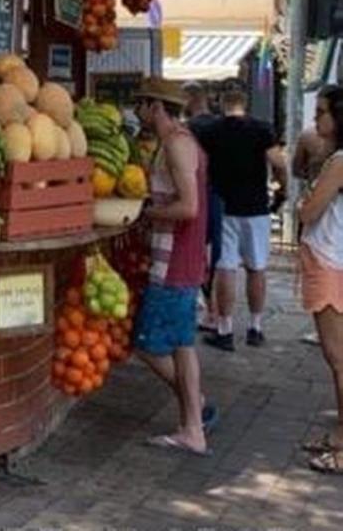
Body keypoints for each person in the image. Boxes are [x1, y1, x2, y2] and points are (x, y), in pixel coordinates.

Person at [132, 78, 212, 455]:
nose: (138, 111)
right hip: (183, 259)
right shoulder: (178, 141)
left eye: (142, 104)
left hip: (174, 261)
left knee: (147, 344)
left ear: (156, 107)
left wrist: (149, 214)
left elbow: (189, 207)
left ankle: (196, 412)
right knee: (182, 345)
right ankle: (193, 426)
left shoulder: (177, 145)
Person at [198, 85, 285, 350]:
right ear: (244, 102)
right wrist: (282, 193)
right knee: (256, 268)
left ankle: (224, 330)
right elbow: (279, 164)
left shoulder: (210, 131)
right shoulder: (262, 129)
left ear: (221, 101)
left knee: (226, 269)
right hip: (257, 208)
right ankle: (255, 328)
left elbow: (200, 167)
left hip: (224, 208)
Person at [297, 85, 343, 475]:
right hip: (332, 258)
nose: (317, 120)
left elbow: (310, 211)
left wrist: (301, 203)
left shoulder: (340, 161)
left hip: (330, 260)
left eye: (322, 112)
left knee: (338, 357)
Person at [184, 82, 222, 334]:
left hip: (199, 193)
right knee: (215, 253)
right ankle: (215, 311)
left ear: (191, 99)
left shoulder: (191, 130)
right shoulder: (221, 125)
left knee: (197, 249)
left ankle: (203, 304)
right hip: (220, 195)